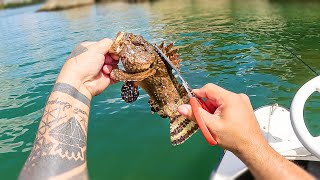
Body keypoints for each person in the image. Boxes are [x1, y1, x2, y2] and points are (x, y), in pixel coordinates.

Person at [19, 38, 315, 180]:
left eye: (136, 45)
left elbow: (127, 80)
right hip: (171, 101)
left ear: (148, 56)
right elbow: (130, 81)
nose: (128, 45)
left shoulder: (143, 65)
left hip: (174, 103)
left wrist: (74, 79)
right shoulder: (144, 64)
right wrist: (252, 145)